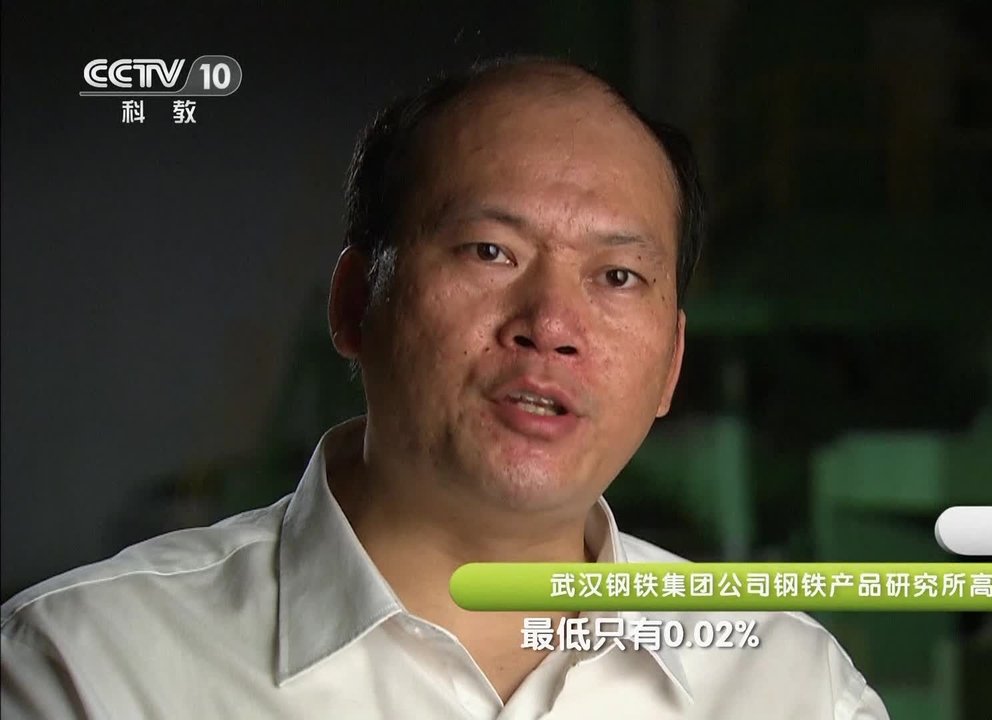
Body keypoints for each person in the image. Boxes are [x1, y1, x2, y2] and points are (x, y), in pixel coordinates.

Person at [1, 56, 889, 719]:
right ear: (356, 303)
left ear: (671, 365)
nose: (551, 323)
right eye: (490, 251)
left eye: (618, 277)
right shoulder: (92, 669)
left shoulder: (789, 686)